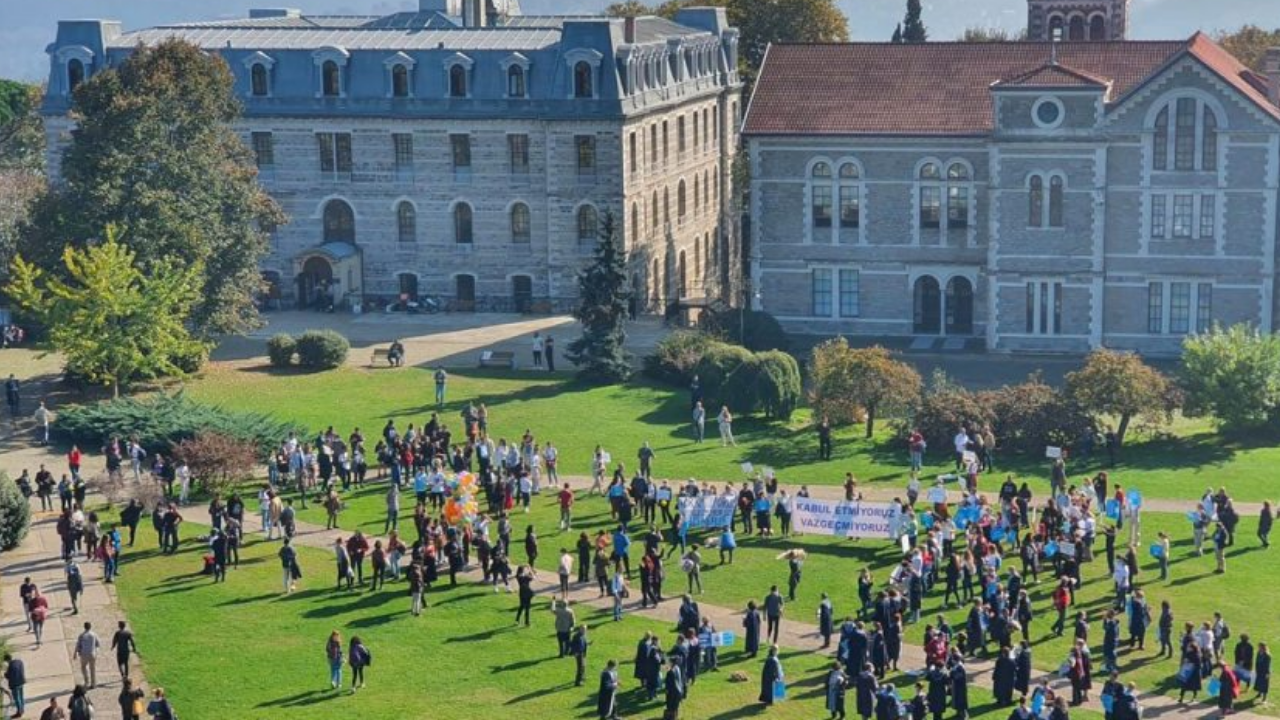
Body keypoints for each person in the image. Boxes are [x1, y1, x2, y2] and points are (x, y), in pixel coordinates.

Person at [72, 622, 99, 689]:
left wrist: (75, 653)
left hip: (84, 654)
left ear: (84, 627)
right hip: (92, 654)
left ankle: (87, 682)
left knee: (83, 667)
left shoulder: (82, 635)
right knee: (92, 669)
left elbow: (78, 645)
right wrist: (96, 652)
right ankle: (93, 683)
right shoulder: (94, 634)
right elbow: (98, 644)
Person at [4, 654, 25, 719]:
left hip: (15, 684)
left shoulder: (10, 666)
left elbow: (8, 676)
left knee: (17, 699)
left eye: (6, 661)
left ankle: (19, 713)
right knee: (21, 697)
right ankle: (22, 710)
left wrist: (5, 674)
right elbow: (22, 670)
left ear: (7, 660)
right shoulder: (19, 661)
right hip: (21, 681)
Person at [664, 656, 686, 720]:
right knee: (675, 706)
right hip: (678, 690)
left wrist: (667, 690)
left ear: (671, 662)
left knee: (671, 706)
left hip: (672, 692)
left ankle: (671, 718)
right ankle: (675, 716)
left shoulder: (670, 672)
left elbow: (669, 684)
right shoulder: (677, 668)